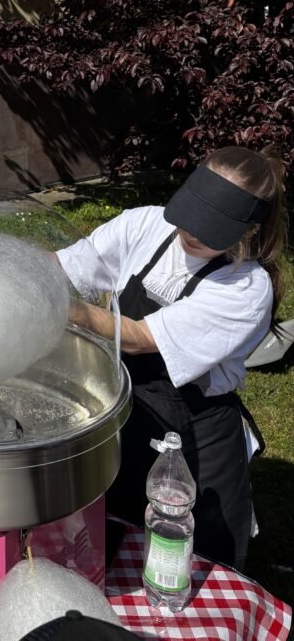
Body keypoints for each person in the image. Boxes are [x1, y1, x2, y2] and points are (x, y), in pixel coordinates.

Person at [56, 146, 285, 570]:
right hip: (125, 400)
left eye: (209, 227)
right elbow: (69, 265)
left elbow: (141, 338)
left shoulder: (247, 289)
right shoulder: (146, 223)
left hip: (196, 430)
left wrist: (61, 307)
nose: (190, 231)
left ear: (248, 229)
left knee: (189, 556)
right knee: (116, 525)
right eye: (189, 213)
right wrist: (18, 271)